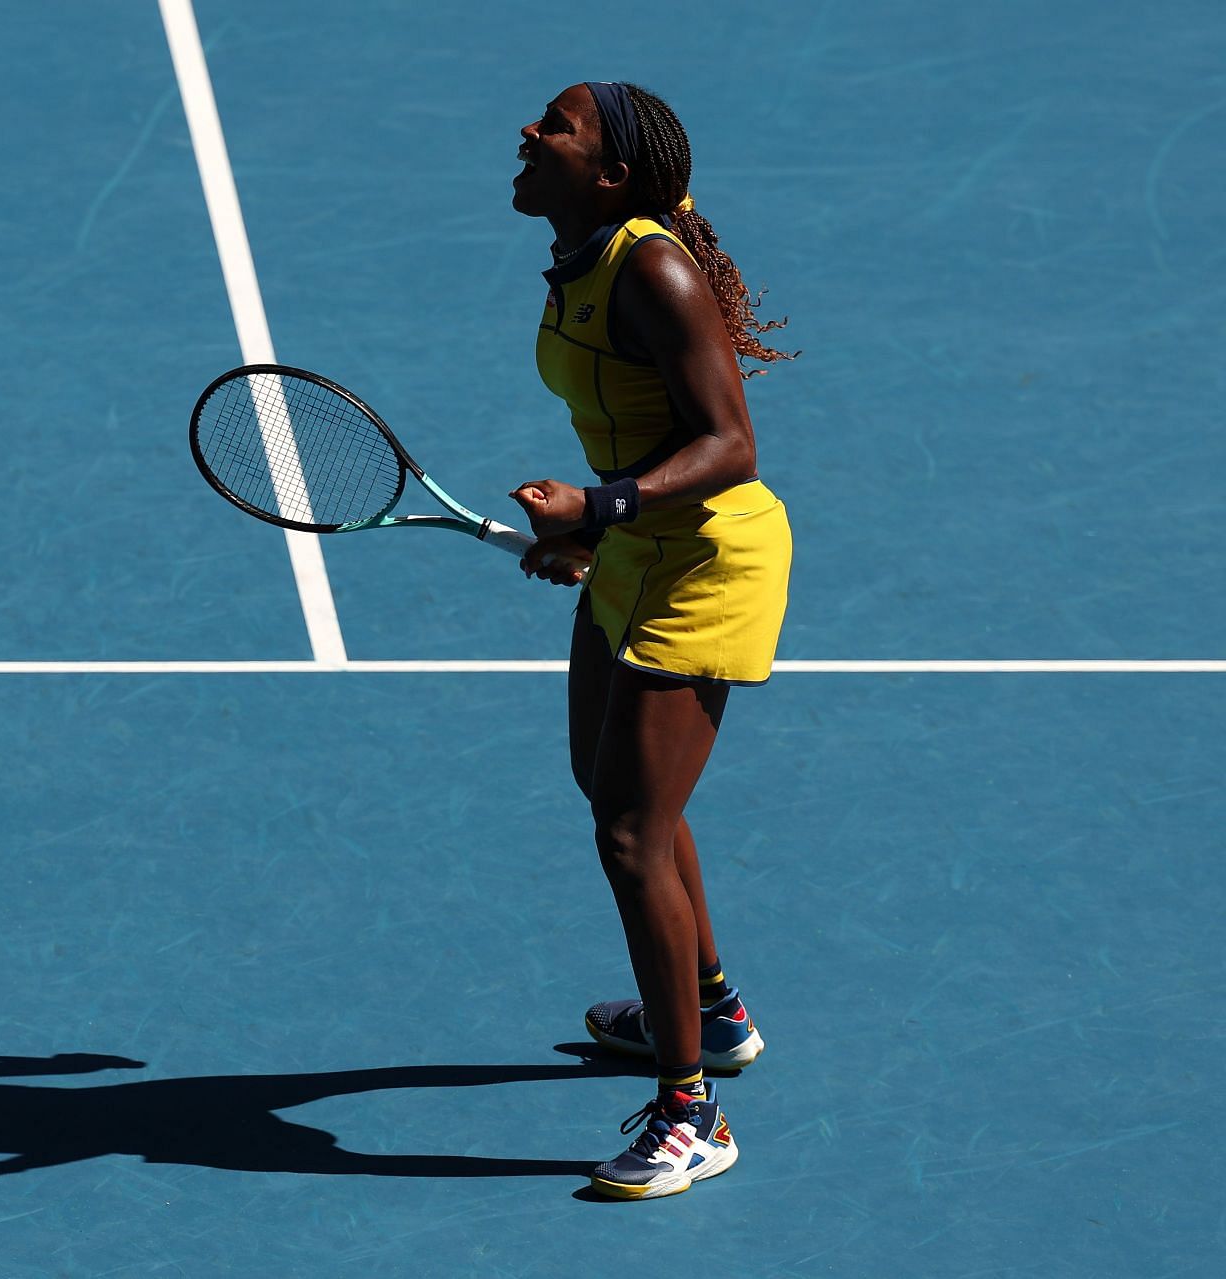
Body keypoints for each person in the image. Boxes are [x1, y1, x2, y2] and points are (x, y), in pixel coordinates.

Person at [505, 80, 796, 1199]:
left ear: (615, 173)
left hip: (707, 559)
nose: (530, 134)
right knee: (608, 789)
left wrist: (594, 509)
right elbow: (641, 423)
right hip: (637, 543)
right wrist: (597, 531)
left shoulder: (651, 268)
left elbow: (732, 444)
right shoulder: (580, 259)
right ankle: (711, 1012)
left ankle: (693, 1113)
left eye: (558, 128)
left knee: (632, 832)